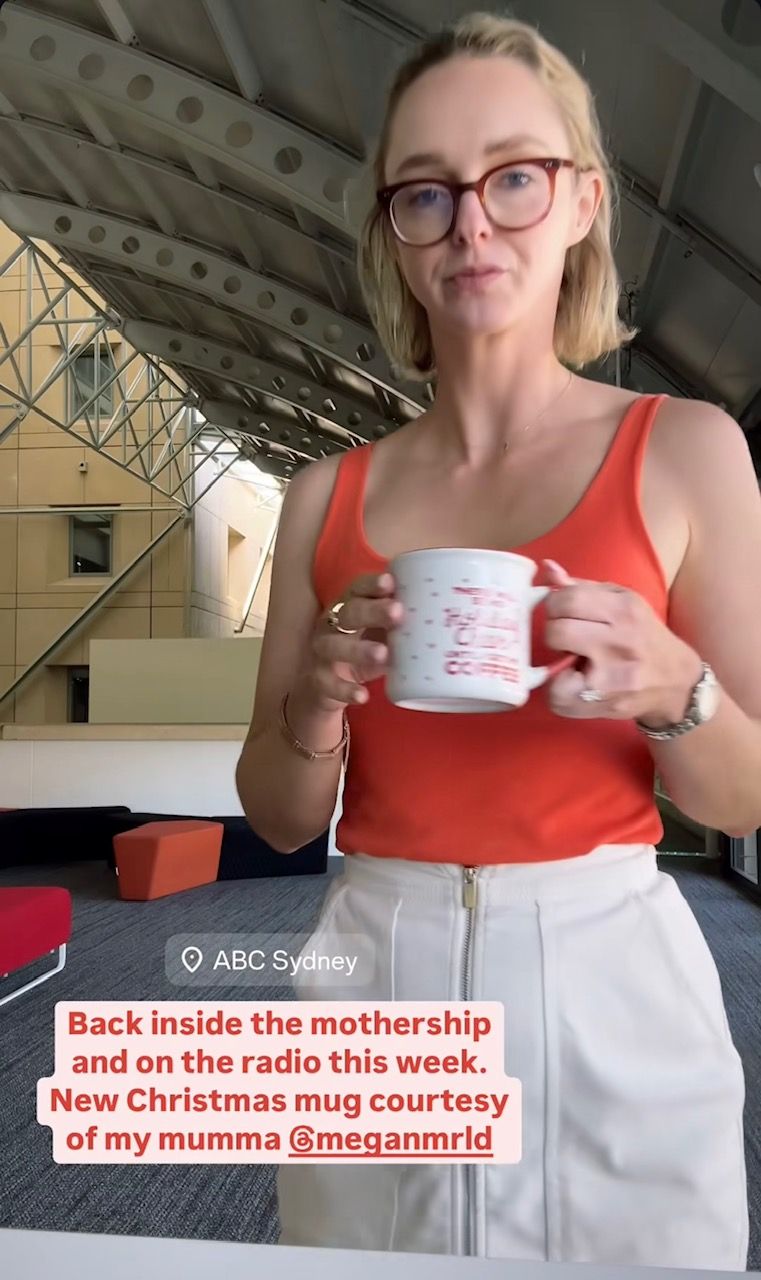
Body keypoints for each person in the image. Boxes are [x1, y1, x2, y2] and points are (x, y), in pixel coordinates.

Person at [235, 10, 760, 1268]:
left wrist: (673, 686)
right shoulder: (321, 497)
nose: (470, 225)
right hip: (375, 980)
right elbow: (278, 816)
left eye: (511, 177)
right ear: (393, 234)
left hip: (609, 984)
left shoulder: (684, 450)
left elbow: (746, 792)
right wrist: (315, 703)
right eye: (425, 193)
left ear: (580, 202)